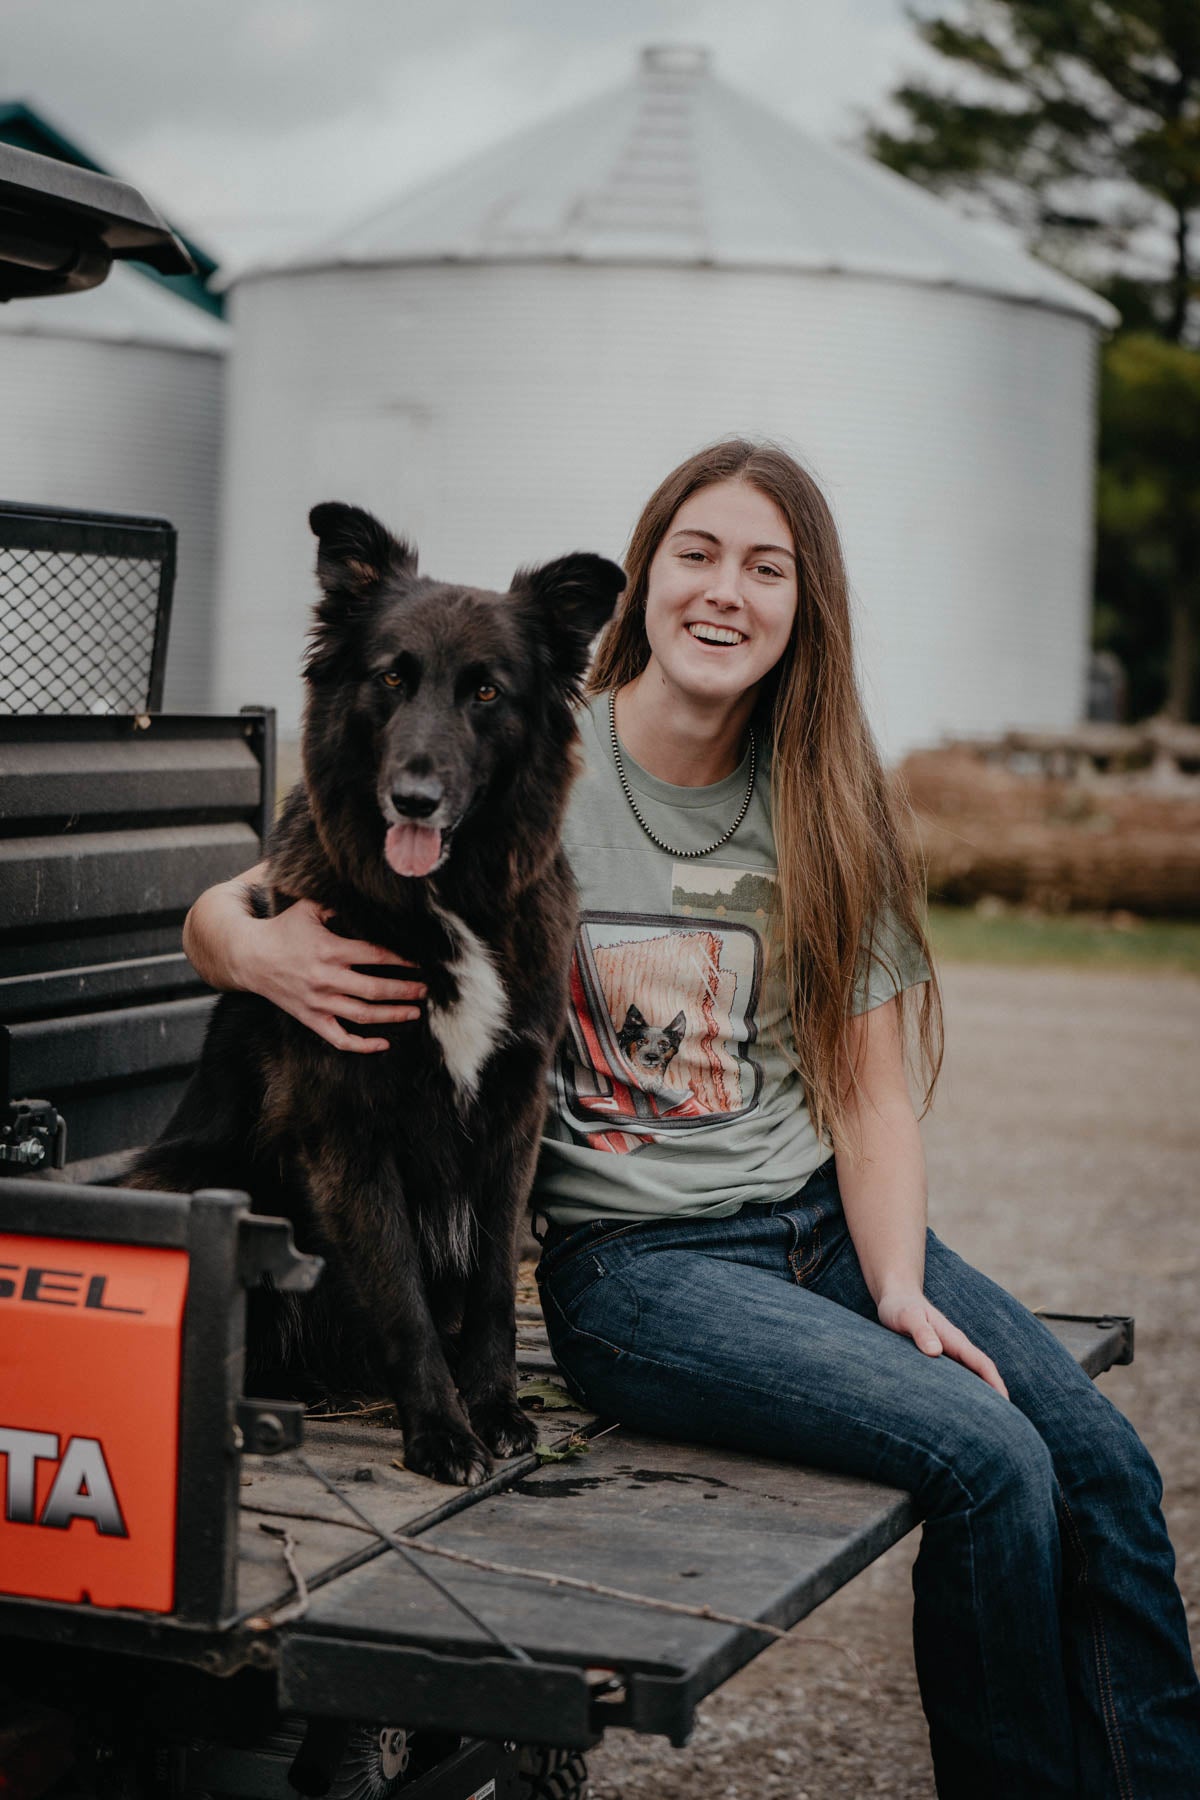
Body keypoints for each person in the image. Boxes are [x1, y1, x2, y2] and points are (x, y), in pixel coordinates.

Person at [183, 440, 1199, 1798]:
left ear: (804, 605)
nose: (728, 592)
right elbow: (258, 887)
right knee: (991, 1465)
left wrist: (894, 1284)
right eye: (700, 555)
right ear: (648, 575)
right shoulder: (532, 746)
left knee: (1109, 1471)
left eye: (768, 568)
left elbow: (875, 1088)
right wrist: (240, 949)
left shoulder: (826, 799)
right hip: (650, 1267)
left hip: (823, 1233)